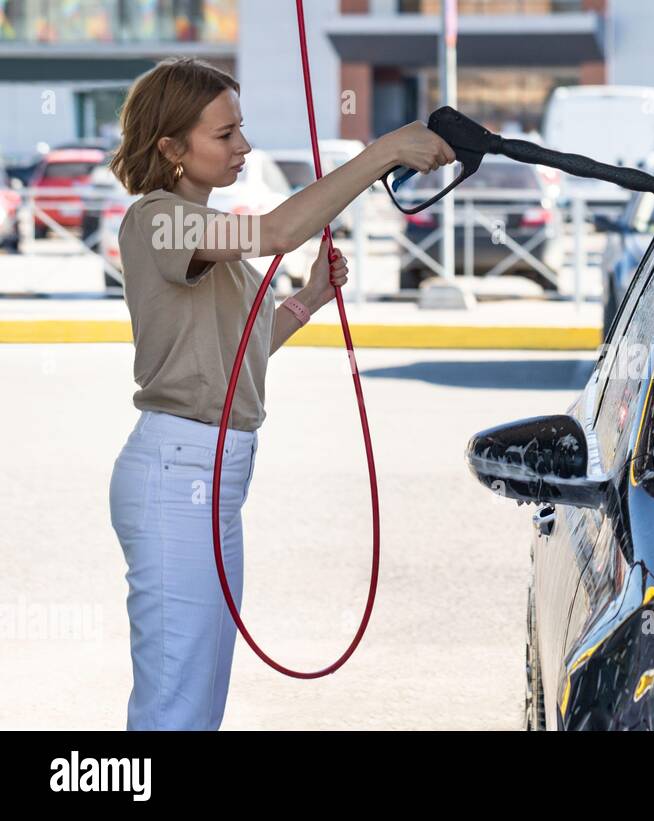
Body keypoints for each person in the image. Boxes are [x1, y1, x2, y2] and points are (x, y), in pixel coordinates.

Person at [105, 56, 455, 730]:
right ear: (170, 149)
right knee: (174, 705)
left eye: (242, 130)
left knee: (198, 701)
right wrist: (382, 152)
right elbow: (276, 233)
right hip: (177, 472)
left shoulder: (199, 225)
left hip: (213, 476)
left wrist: (311, 299)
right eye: (225, 135)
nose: (245, 147)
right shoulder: (158, 221)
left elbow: (245, 349)